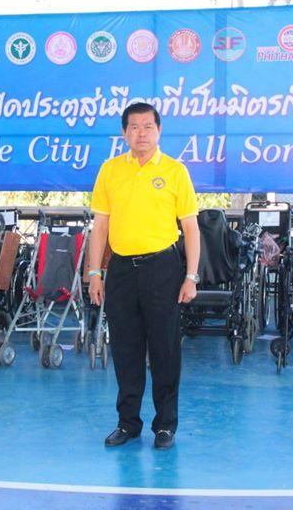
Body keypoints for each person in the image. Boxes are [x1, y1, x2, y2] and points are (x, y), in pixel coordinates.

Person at [87, 102, 200, 450]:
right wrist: (95, 272)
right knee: (125, 348)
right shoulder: (110, 170)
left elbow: (190, 228)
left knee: (165, 348)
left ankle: (165, 425)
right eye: (134, 127)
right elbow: (100, 226)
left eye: (148, 127)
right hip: (121, 269)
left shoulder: (175, 171)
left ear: (159, 131)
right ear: (124, 133)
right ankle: (128, 423)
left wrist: (191, 276)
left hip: (163, 269)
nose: (141, 134)